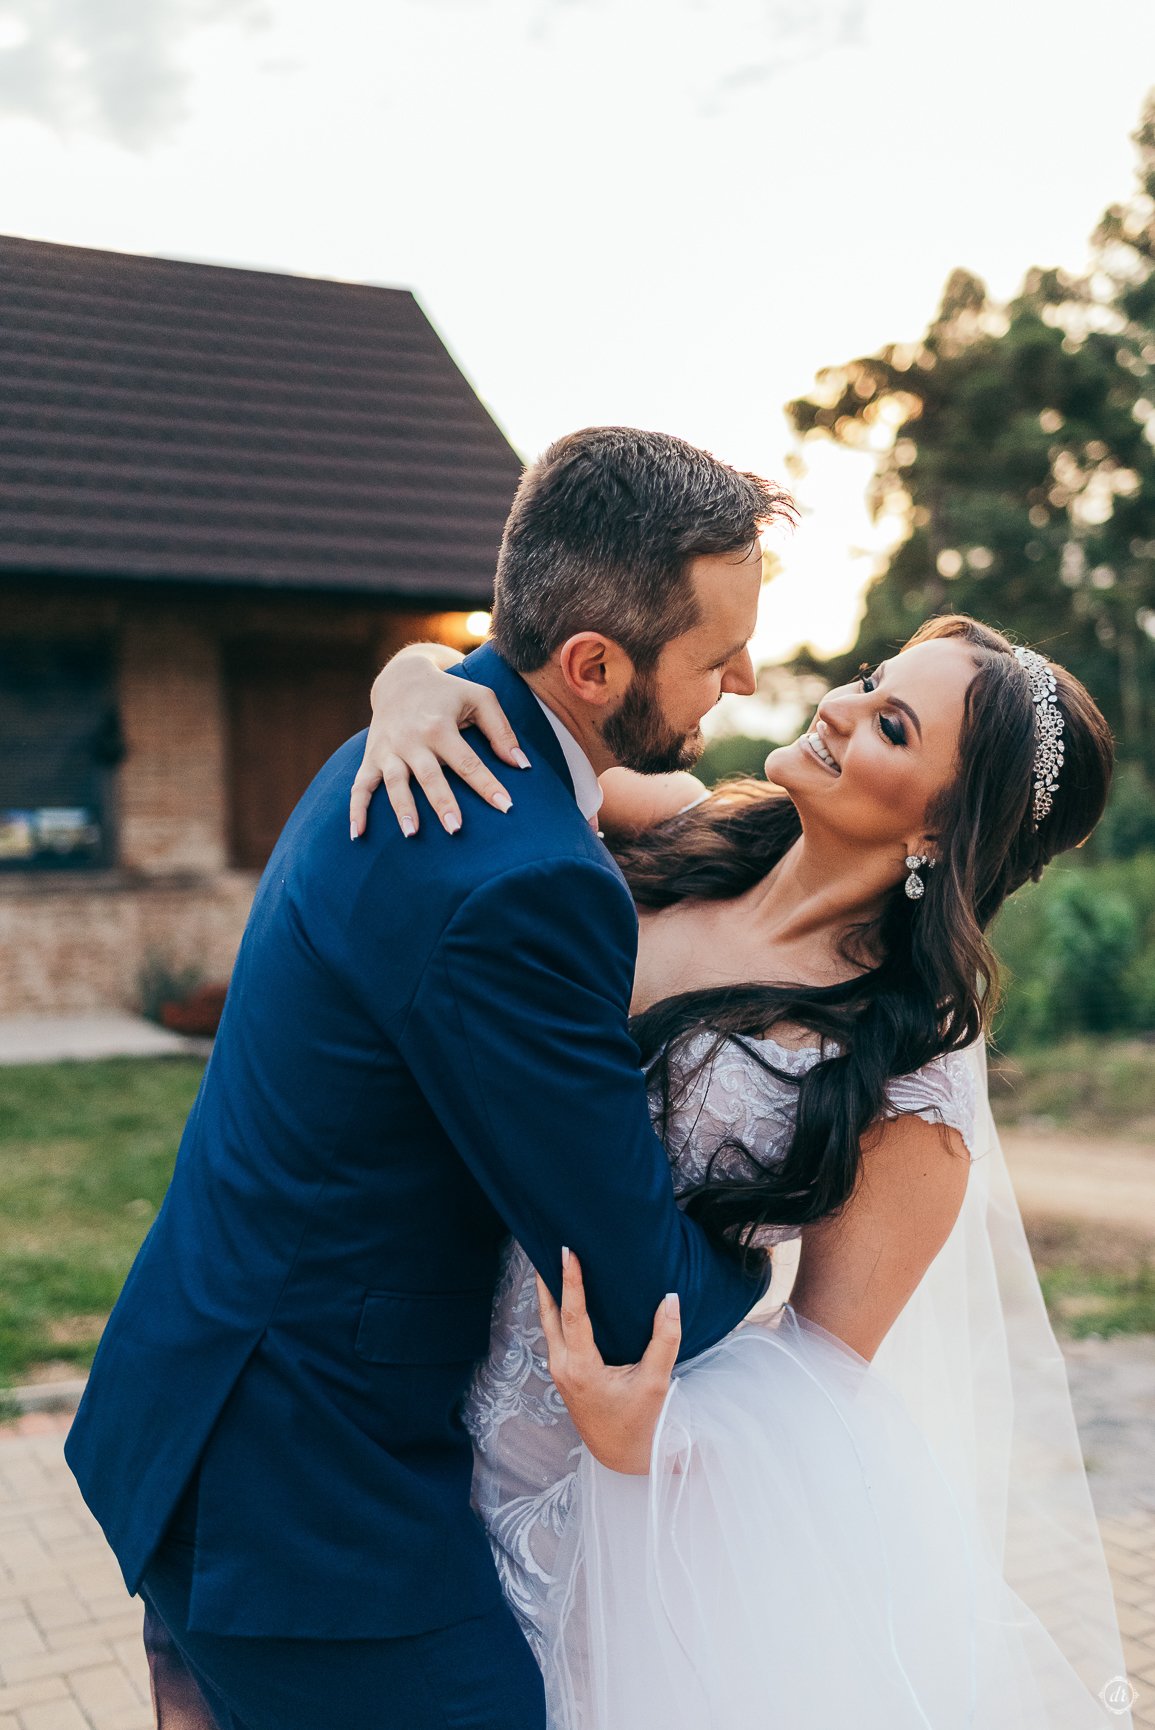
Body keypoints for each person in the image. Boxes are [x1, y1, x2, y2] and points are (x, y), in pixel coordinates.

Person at [63, 428, 793, 1730]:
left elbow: (608, 791)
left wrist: (412, 671)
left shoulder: (421, 738)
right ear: (590, 664)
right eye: (712, 654)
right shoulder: (522, 880)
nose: (741, 677)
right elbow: (630, 1292)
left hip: (199, 1405)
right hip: (300, 1498)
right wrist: (760, 1236)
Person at [353, 612, 1133, 1726]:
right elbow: (495, 713)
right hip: (401, 1380)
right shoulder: (682, 821)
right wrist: (407, 682)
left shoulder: (908, 1073)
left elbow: (824, 1363)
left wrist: (653, 1437)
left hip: (587, 1489)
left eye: (891, 724)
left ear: (941, 827)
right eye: (870, 681)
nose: (840, 704)